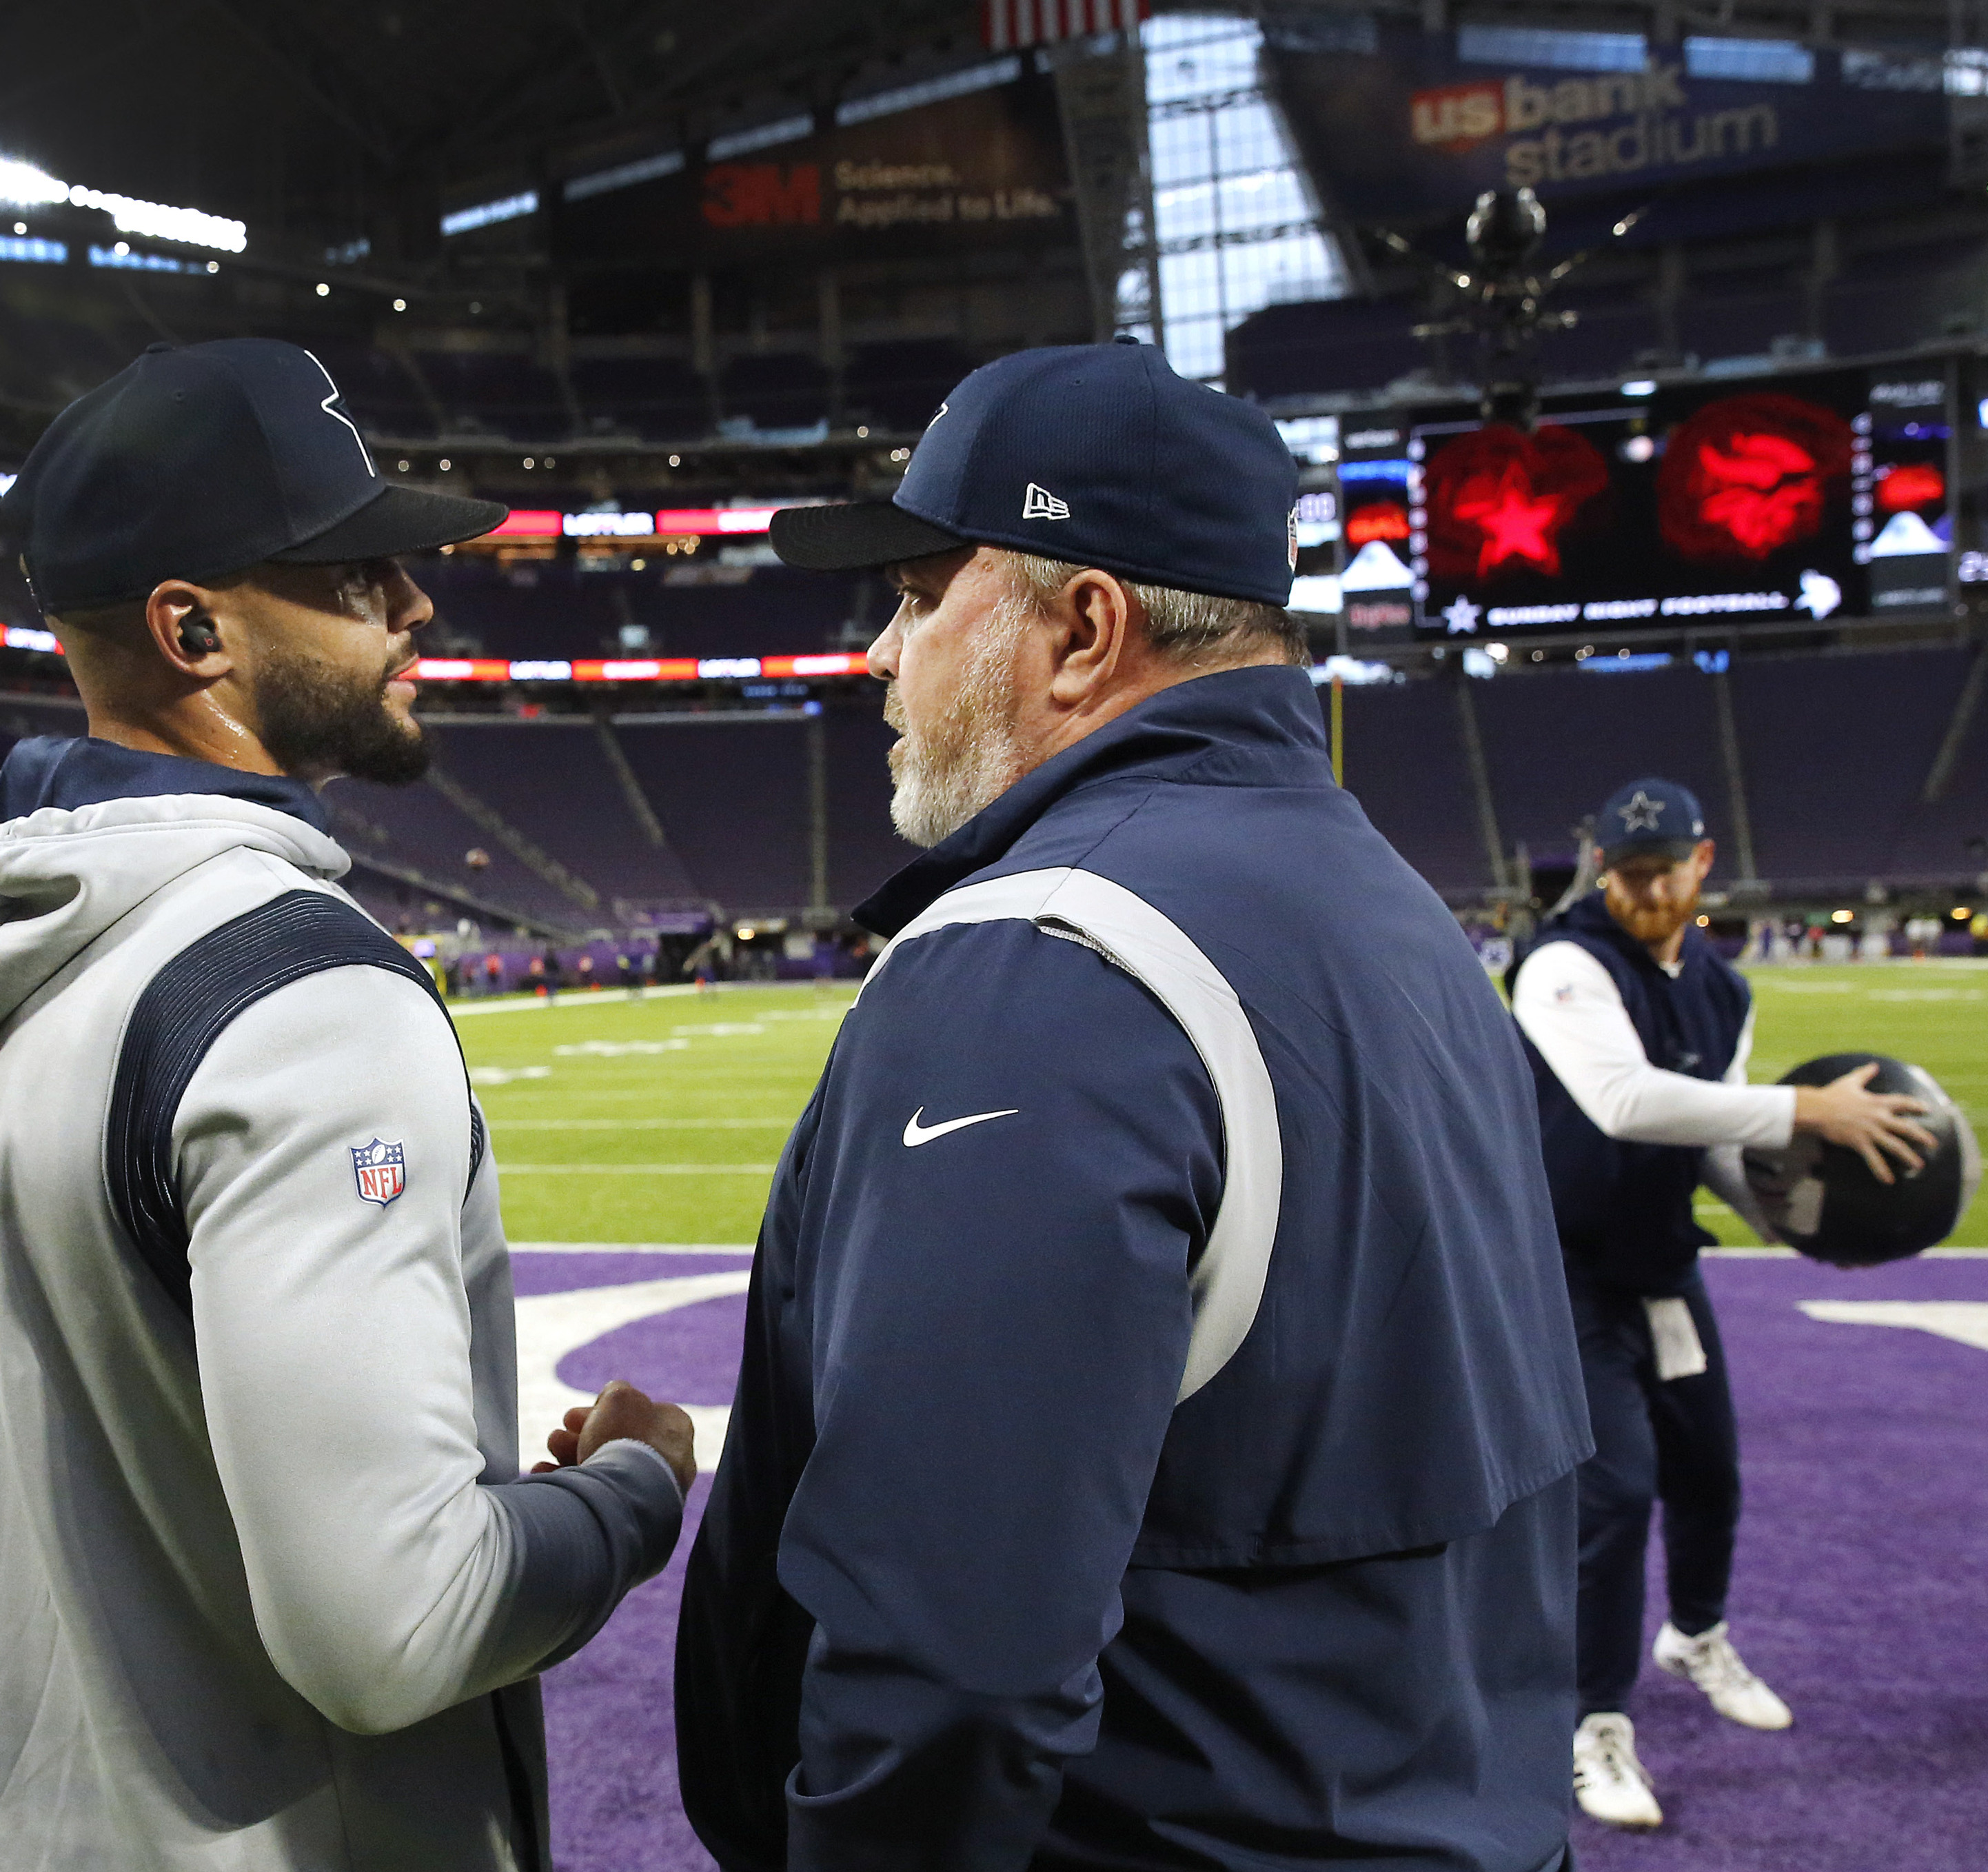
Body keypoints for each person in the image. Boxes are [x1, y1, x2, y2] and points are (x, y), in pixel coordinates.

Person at [677, 340, 1591, 1872]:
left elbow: (949, 1657)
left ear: (1080, 629)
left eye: (915, 595)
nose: (882, 656)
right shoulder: (1398, 912)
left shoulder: (1038, 961)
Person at [0, 337, 693, 1872]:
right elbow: (388, 1628)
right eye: (355, 573)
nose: (413, 604)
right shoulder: (304, 998)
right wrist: (635, 1494)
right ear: (192, 626)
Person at [1508, 781, 1938, 1829]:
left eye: (1666, 867)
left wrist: (1793, 1223)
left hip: (1661, 1261)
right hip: (1563, 1264)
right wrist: (1806, 1108)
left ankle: (1694, 1632)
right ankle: (1593, 1719)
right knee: (1615, 1492)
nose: (1647, 887)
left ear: (1704, 864)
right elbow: (1623, 1100)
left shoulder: (1721, 988)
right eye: (1628, 870)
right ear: (1600, 868)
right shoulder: (1563, 962)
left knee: (1711, 1469)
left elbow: (1707, 1137)